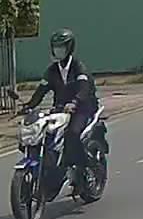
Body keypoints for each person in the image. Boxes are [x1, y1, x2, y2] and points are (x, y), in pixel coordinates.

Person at [24, 29, 98, 186]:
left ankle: (83, 166)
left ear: (69, 48)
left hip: (82, 109)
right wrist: (29, 105)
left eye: (61, 47)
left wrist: (75, 102)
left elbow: (84, 88)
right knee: (43, 134)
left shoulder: (79, 67)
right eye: (55, 47)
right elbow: (41, 90)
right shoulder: (52, 70)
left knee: (72, 134)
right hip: (60, 110)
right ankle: (53, 168)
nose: (58, 50)